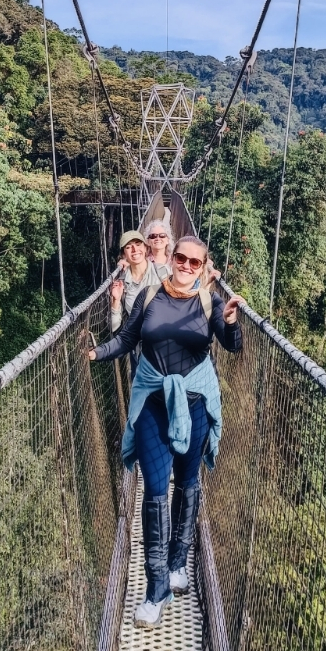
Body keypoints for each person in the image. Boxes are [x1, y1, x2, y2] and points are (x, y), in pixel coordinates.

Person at [87, 236, 244, 629]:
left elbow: (232, 346)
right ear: (170, 257)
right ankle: (157, 589)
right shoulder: (151, 295)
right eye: (181, 258)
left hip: (195, 405)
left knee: (188, 483)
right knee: (155, 492)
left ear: (204, 265)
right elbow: (127, 339)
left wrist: (229, 322)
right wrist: (96, 353)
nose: (187, 266)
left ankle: (178, 562)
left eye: (195, 262)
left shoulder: (208, 301)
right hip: (153, 403)